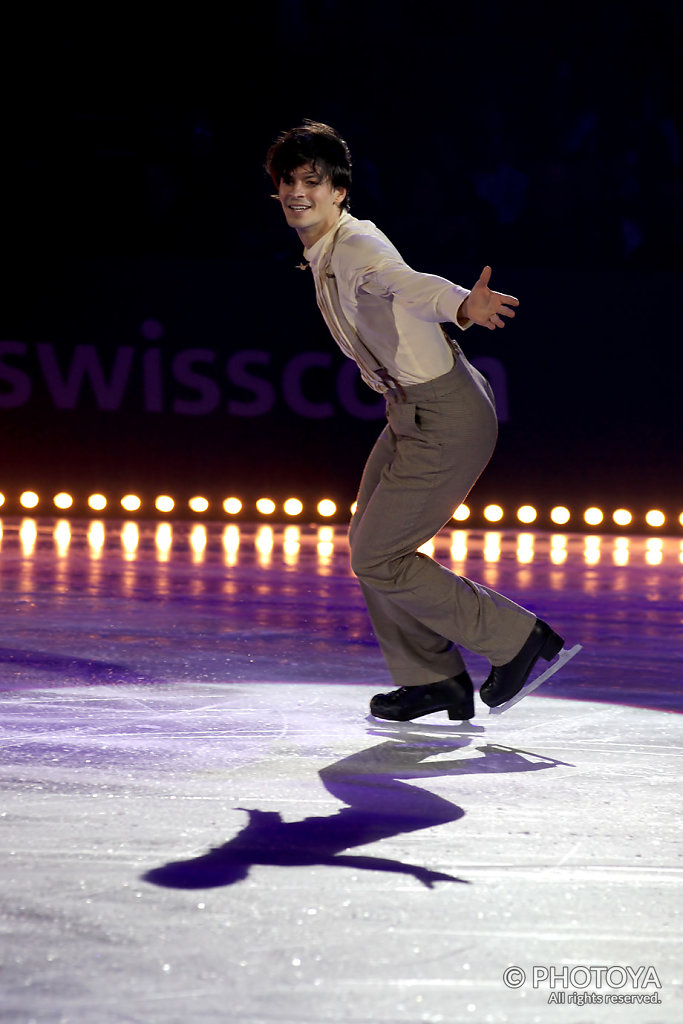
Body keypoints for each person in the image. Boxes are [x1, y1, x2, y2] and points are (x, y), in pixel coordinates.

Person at [265, 120, 564, 721]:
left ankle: (520, 641)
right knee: (369, 542)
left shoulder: (356, 249)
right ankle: (435, 679)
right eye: (289, 181)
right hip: (410, 410)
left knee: (378, 555)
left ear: (339, 190)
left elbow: (408, 285)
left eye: (313, 182)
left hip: (445, 417)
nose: (299, 192)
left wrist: (460, 304)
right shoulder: (325, 249)